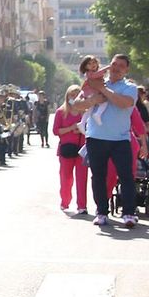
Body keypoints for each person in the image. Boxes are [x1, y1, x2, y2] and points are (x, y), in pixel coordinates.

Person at [71, 53, 141, 227]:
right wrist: (93, 99)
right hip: (96, 138)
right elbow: (77, 105)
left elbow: (124, 103)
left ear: (126, 70)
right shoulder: (95, 82)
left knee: (126, 176)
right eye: (114, 64)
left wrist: (102, 90)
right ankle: (101, 212)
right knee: (98, 177)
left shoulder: (129, 87)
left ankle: (129, 213)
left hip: (120, 139)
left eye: (121, 66)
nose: (116, 68)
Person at [53, 85, 89, 215]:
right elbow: (56, 131)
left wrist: (81, 130)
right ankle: (65, 201)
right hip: (66, 149)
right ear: (67, 96)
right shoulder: (61, 112)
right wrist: (71, 128)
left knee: (82, 178)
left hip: (82, 149)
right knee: (65, 177)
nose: (74, 98)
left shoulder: (86, 112)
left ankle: (82, 205)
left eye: (77, 95)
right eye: (71, 95)